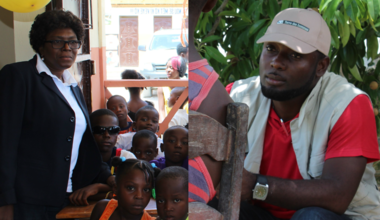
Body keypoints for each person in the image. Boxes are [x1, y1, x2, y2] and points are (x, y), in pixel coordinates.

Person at [192, 4, 380, 220]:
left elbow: (337, 196)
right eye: (271, 48)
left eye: (294, 55)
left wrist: (255, 185)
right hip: (262, 213)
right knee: (208, 206)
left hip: (337, 216)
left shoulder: (347, 104)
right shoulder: (238, 95)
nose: (276, 63)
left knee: (312, 217)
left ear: (321, 66)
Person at [0, 10, 113, 219]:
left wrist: (108, 179)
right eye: (57, 42)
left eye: (73, 42)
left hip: (68, 198)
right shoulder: (19, 77)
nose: (67, 48)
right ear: (41, 45)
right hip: (28, 202)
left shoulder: (72, 87)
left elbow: (83, 145)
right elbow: (4, 143)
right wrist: (4, 201)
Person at [69, 109, 137, 206]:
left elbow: (135, 188)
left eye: (113, 130)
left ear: (118, 133)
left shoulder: (126, 157)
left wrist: (98, 187)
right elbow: (76, 194)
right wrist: (110, 193)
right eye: (99, 130)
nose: (106, 135)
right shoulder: (76, 159)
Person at [90, 158, 159, 220]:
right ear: (116, 188)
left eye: (146, 190)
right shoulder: (102, 209)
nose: (139, 196)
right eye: (131, 188)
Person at [157, 56, 188, 121]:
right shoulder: (161, 87)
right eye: (166, 67)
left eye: (171, 68)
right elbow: (161, 110)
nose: (167, 70)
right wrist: (164, 126)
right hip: (171, 124)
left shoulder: (187, 86)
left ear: (180, 69)